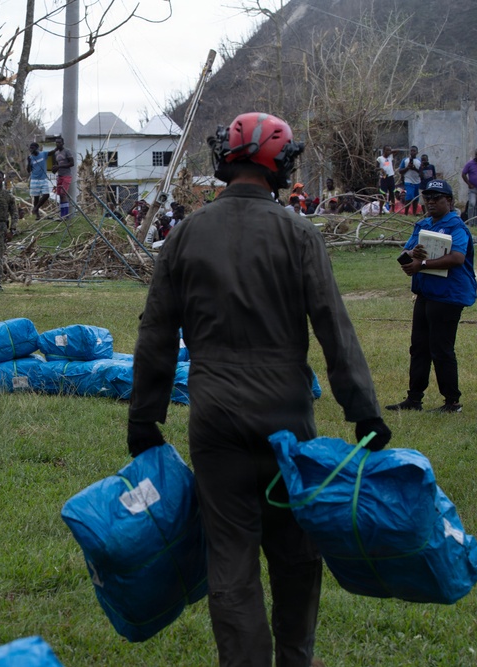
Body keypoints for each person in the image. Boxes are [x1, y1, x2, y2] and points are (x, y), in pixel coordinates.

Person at [127, 112, 390, 667]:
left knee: (231, 561)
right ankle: (297, 657)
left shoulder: (185, 235)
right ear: (281, 165)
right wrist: (363, 411)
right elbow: (334, 330)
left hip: (215, 421)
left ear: (225, 160)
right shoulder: (299, 234)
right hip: (287, 420)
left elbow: (155, 335)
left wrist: (144, 419)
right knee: (296, 553)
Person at [385, 179, 477, 414]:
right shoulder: (424, 224)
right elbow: (406, 251)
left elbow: (457, 258)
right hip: (426, 293)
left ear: (450, 201)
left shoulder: (456, 226)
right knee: (419, 347)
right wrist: (410, 255)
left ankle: (452, 402)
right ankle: (414, 399)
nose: (431, 202)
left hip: (448, 295)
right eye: (428, 198)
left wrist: (421, 264)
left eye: (437, 198)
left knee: (441, 349)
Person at [50, 136, 75, 219]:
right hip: (60, 175)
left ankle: (65, 215)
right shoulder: (56, 153)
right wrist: (54, 168)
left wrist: (59, 166)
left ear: (63, 143)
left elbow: (72, 163)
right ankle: (62, 214)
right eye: (56, 142)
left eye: (59, 142)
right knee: (60, 195)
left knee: (63, 194)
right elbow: (57, 165)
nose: (58, 144)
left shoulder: (67, 151)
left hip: (66, 175)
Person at [26, 142, 51, 219]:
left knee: (46, 195)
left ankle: (36, 208)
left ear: (37, 148)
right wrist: (29, 162)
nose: (31, 150)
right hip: (34, 179)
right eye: (30, 148)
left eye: (32, 148)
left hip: (43, 178)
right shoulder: (30, 158)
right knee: (36, 197)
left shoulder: (43, 154)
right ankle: (37, 215)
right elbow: (28, 170)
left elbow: (52, 153)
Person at [398, 145, 422, 215]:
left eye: (414, 151)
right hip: (408, 181)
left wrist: (414, 169)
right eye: (411, 151)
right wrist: (407, 168)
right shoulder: (405, 160)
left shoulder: (419, 161)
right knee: (409, 196)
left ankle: (414, 213)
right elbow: (400, 171)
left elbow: (421, 173)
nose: (412, 152)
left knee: (416, 198)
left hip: (417, 181)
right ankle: (406, 212)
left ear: (417, 152)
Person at [376, 144, 396, 216]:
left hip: (391, 177)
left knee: (392, 194)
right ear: (384, 150)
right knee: (383, 195)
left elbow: (397, 152)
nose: (389, 151)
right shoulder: (380, 158)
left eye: (390, 150)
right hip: (384, 177)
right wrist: (381, 169)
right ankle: (380, 211)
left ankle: (393, 210)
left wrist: (390, 152)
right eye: (387, 150)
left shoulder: (390, 157)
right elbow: (376, 168)